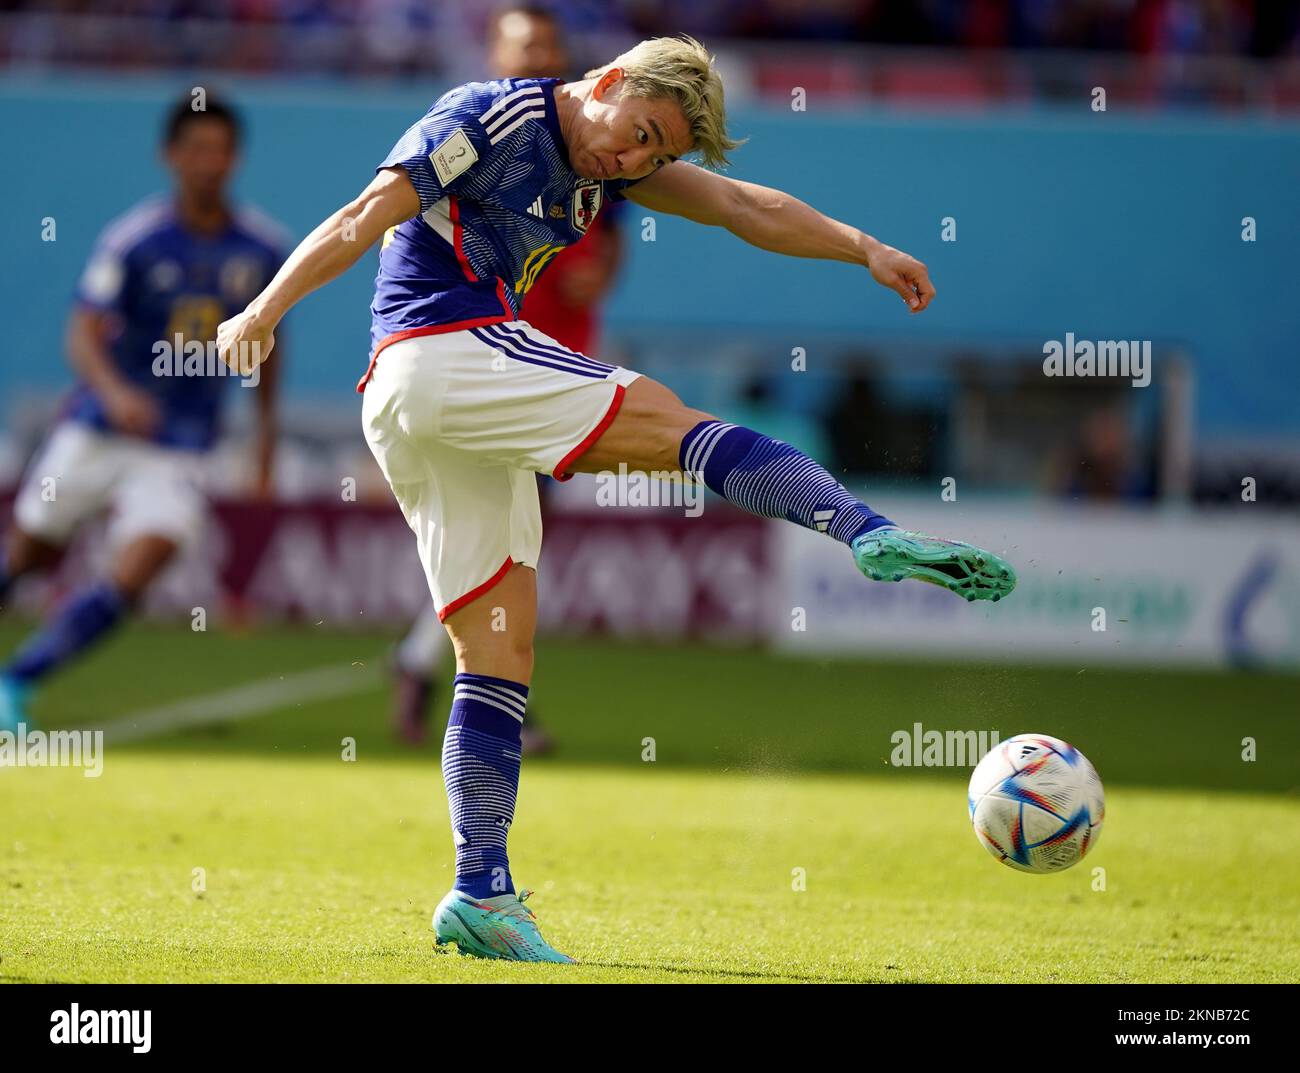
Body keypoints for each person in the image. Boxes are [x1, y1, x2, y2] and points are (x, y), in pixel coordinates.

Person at [216, 35, 1016, 963]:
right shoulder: (490, 116)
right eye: (638, 135)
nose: (634, 161)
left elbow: (743, 205)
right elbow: (365, 213)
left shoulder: (611, 164)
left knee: (498, 644)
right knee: (672, 425)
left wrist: (863, 248)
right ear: (605, 83)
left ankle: (481, 892)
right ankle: (863, 528)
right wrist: (262, 312)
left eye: (656, 155)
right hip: (442, 353)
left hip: (419, 407)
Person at [0, 96, 287, 730]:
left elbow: (268, 345)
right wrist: (113, 391)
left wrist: (264, 436)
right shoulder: (133, 240)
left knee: (138, 569)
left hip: (182, 445)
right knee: (27, 558)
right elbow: (83, 331)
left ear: (236, 158)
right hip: (98, 429)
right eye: (197, 149)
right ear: (171, 156)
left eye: (220, 150)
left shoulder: (262, 248)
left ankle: (16, 682)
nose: (209, 162)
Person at [389, 2, 627, 753]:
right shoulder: (477, 134)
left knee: (512, 546)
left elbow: (616, 233)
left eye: (550, 45)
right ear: (494, 54)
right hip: (475, 365)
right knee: (501, 547)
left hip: (555, 364)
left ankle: (445, 681)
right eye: (525, 46)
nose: (538, 57)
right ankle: (467, 693)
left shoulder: (594, 146)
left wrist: (603, 275)